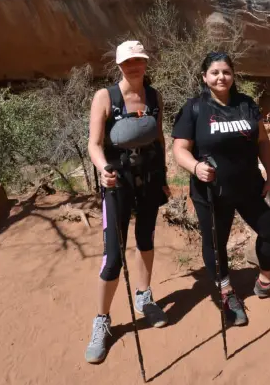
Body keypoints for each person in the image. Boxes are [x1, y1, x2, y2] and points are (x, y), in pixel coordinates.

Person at [172, 51, 270, 327]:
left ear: (233, 76)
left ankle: (265, 282)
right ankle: (226, 291)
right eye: (215, 72)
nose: (221, 77)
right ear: (205, 77)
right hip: (212, 191)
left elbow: (263, 142)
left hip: (250, 185)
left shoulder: (246, 104)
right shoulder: (194, 109)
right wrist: (195, 167)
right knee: (216, 245)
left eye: (226, 72)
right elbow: (179, 149)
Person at [85, 40, 171, 364]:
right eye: (128, 62)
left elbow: (159, 138)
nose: (134, 66)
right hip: (116, 182)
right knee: (113, 256)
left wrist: (162, 177)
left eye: (139, 60)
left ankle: (144, 297)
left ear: (145, 63)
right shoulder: (105, 98)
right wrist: (104, 168)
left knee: (145, 240)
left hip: (148, 179)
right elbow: (94, 144)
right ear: (119, 65)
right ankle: (102, 320)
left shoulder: (154, 96)